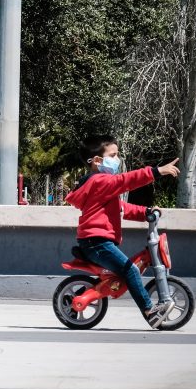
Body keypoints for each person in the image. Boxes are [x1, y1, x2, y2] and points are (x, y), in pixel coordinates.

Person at [65, 135, 181, 328]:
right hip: (97, 242)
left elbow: (122, 208)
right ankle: (150, 312)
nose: (117, 160)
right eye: (114, 155)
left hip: (96, 241)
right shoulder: (100, 181)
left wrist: (146, 212)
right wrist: (157, 171)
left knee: (126, 271)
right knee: (131, 270)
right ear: (96, 161)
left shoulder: (99, 186)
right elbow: (127, 180)